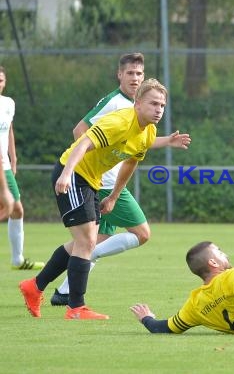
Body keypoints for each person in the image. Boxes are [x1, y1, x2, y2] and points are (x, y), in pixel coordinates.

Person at [19, 78, 168, 320]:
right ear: (138, 103)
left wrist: (113, 196)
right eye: (153, 103)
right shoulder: (120, 121)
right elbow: (84, 140)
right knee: (88, 241)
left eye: (162, 105)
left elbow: (130, 162)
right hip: (74, 173)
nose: (159, 109)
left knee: (84, 242)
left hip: (91, 181)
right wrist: (66, 173)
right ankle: (76, 308)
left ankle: (34, 286)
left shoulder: (148, 132)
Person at [49, 53, 190, 306]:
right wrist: (87, 168)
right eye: (130, 73)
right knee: (137, 233)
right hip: (98, 182)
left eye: (139, 73)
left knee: (96, 240)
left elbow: (137, 143)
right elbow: (81, 132)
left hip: (106, 182)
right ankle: (70, 296)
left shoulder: (141, 110)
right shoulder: (115, 103)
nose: (135, 78)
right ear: (120, 75)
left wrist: (167, 141)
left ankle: (62, 291)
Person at [0, 66, 44, 270]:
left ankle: (17, 259)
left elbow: (8, 129)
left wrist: (13, 158)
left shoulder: (8, 103)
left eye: (1, 79)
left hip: (5, 166)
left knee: (16, 209)